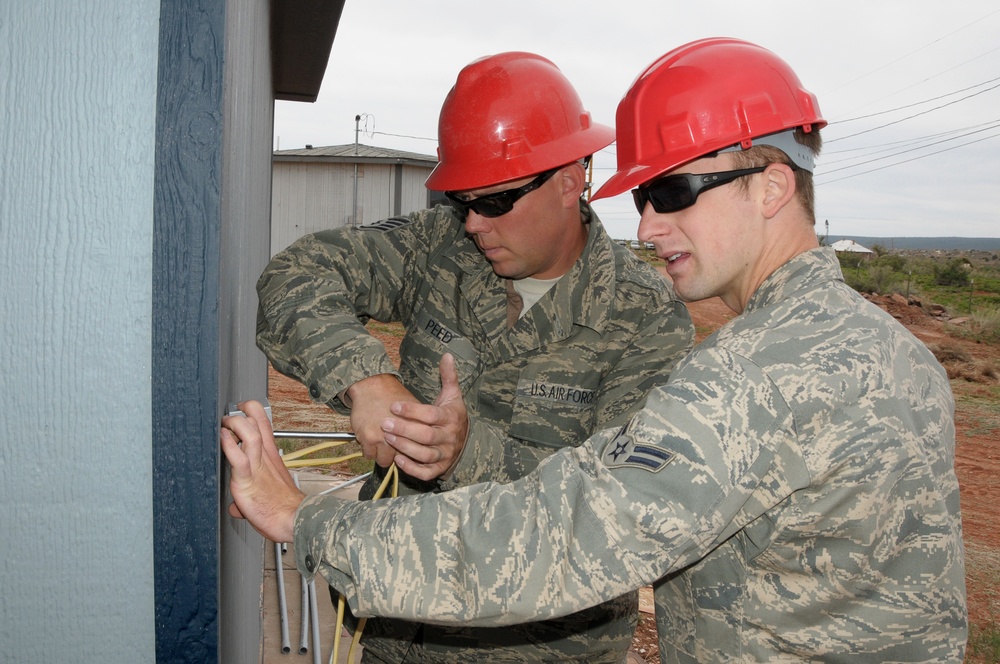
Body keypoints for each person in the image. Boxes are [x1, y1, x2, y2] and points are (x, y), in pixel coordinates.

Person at [226, 38, 967, 661]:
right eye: (642, 198)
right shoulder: (891, 352)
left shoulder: (749, 373)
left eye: (673, 192)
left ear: (771, 186)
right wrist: (366, 381)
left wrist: (308, 521)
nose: (647, 227)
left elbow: (571, 529)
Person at [254, 51, 694, 663]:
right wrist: (366, 380)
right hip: (400, 635)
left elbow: (620, 512)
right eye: (462, 200)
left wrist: (466, 452)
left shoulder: (643, 317)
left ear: (572, 179)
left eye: (495, 201)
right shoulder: (441, 248)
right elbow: (295, 274)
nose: (472, 225)